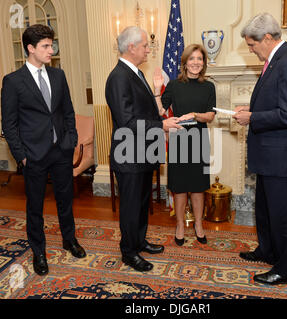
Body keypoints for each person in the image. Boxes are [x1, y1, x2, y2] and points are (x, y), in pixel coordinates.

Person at [1, 24, 86, 276]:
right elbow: (9, 124)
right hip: (34, 156)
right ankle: (38, 251)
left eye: (52, 45)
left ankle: (69, 240)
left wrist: (70, 140)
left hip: (61, 150)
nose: (51, 50)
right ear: (31, 48)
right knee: (35, 206)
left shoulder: (59, 76)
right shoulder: (13, 81)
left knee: (65, 200)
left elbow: (68, 111)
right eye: (45, 46)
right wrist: (22, 156)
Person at [233, 13, 287, 285]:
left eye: (252, 45)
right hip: (269, 154)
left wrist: (252, 118)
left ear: (266, 38)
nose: (251, 50)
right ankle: (268, 251)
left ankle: (285, 270)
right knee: (265, 209)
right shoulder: (274, 61)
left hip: (281, 156)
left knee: (283, 215)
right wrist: (250, 110)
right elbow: (274, 104)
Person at [105, 26, 182, 272]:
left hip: (143, 152)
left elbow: (144, 111)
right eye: (145, 46)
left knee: (141, 202)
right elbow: (127, 121)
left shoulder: (135, 73)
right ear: (132, 47)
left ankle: (138, 241)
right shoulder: (118, 77)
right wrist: (161, 125)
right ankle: (128, 252)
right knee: (130, 206)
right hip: (128, 154)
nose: (149, 50)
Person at [154, 44, 216, 246]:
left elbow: (210, 116)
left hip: (198, 140)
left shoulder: (209, 86)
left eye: (199, 59)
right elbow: (161, 111)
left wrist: (195, 115)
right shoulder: (173, 85)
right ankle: (180, 225)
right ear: (185, 62)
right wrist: (156, 89)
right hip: (178, 140)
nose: (196, 62)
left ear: (203, 63)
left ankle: (198, 225)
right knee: (179, 188)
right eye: (192, 59)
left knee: (198, 188)